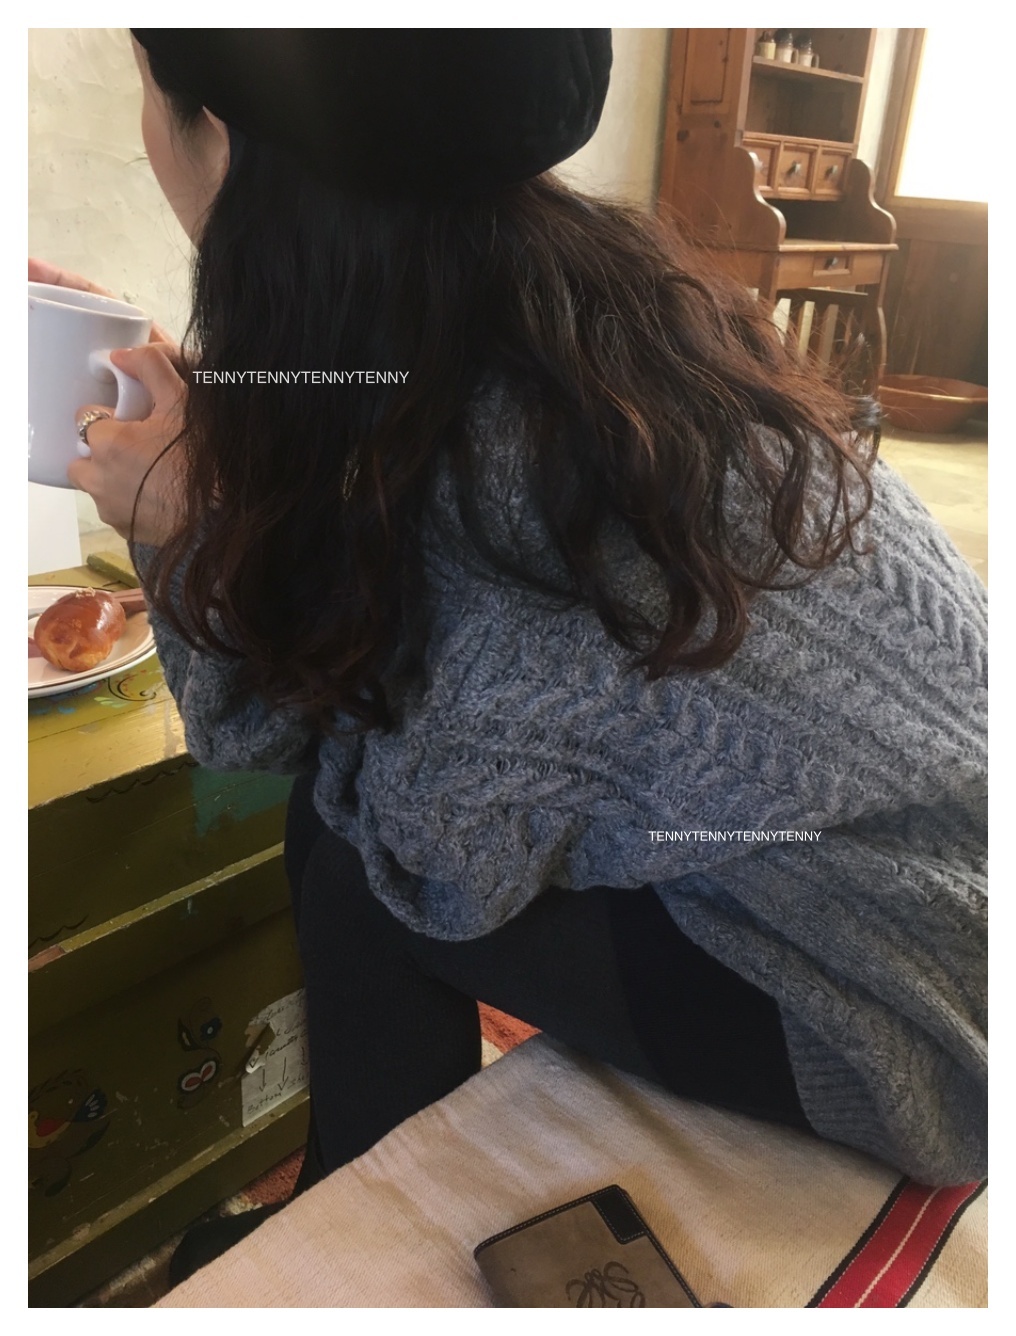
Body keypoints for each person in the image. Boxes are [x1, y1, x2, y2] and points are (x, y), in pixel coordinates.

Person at [40, 27, 986, 1282]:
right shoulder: (568, 298)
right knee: (347, 801)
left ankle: (363, 1236)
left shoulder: (490, 462)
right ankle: (355, 1180)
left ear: (211, 130)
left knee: (355, 845)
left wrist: (189, 531)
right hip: (933, 874)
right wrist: (210, 441)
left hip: (907, 1008)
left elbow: (421, 843)